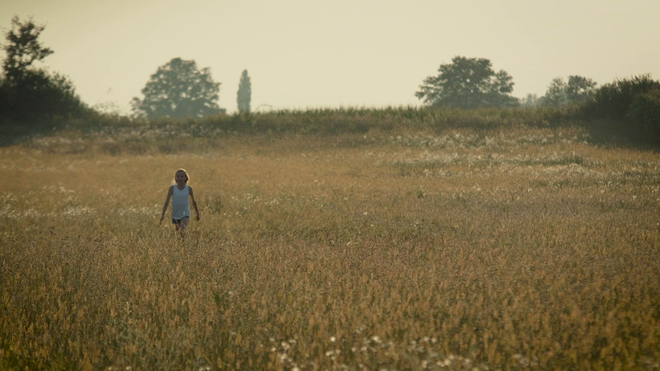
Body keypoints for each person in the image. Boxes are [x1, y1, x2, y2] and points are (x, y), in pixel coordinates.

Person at [160, 168, 200, 238]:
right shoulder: (172, 188)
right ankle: (182, 245)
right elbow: (167, 202)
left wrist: (197, 214)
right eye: (178, 176)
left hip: (185, 214)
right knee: (178, 233)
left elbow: (193, 202)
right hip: (175, 213)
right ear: (175, 178)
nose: (180, 178)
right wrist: (162, 215)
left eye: (182, 176)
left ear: (185, 178)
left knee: (182, 230)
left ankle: (186, 242)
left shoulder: (188, 189)